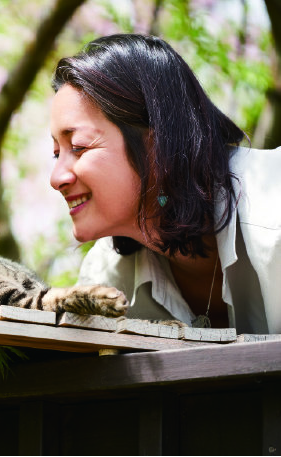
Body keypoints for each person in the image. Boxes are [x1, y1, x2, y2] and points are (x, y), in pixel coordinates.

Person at [49, 34, 281, 334]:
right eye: (56, 153)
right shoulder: (105, 274)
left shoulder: (272, 203)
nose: (56, 178)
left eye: (78, 146)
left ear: (157, 141)